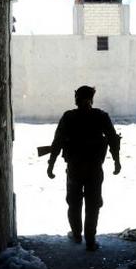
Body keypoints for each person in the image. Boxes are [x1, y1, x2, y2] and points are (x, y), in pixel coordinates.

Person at [47, 86, 122, 251]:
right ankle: (90, 240)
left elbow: (57, 141)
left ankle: (76, 234)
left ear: (76, 100)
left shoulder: (69, 117)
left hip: (74, 168)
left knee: (74, 202)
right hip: (95, 168)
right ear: (92, 98)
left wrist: (51, 165)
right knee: (93, 204)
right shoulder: (101, 116)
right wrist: (116, 161)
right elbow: (113, 140)